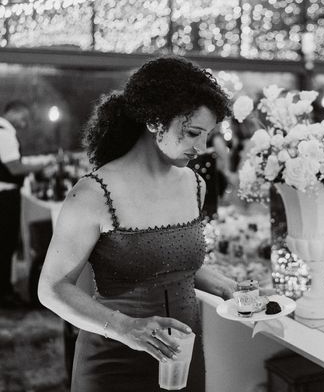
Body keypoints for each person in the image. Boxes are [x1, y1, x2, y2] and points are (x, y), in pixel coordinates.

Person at [38, 57, 237, 392]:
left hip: (183, 357)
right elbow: (52, 289)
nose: (202, 148)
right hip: (113, 361)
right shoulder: (92, 194)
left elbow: (172, 265)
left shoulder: (194, 184)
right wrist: (126, 327)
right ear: (155, 120)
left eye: (208, 136)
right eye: (192, 133)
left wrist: (230, 287)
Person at [0, 100, 50, 308]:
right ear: (14, 113)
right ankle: (4, 294)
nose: (24, 123)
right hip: (4, 197)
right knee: (5, 244)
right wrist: (43, 165)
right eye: (24, 118)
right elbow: (14, 168)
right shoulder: (4, 132)